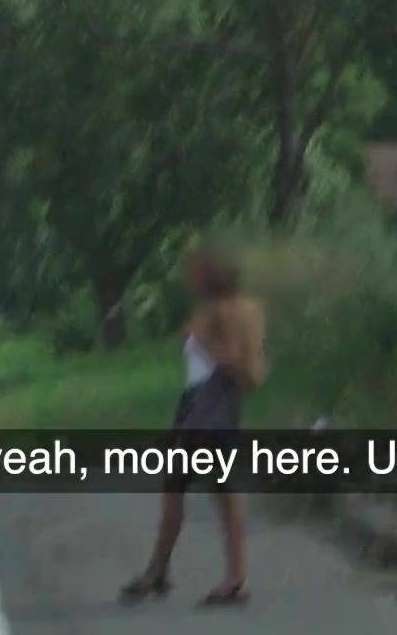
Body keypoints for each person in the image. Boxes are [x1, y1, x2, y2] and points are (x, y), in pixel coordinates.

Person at [119, 245, 267, 608]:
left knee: (210, 491)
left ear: (211, 274)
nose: (189, 277)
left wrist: (203, 339)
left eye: (196, 271)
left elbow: (238, 364)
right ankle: (163, 570)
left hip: (208, 411)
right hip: (202, 408)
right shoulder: (232, 308)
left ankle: (227, 578)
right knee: (193, 489)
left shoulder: (222, 312)